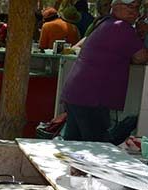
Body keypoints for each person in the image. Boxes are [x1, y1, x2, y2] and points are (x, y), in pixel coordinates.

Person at [60, 0, 148, 142]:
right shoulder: (122, 27)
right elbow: (141, 57)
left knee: (74, 146)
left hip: (77, 93)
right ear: (115, 6)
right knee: (97, 146)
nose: (134, 12)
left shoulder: (105, 23)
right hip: (93, 98)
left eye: (137, 8)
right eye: (129, 7)